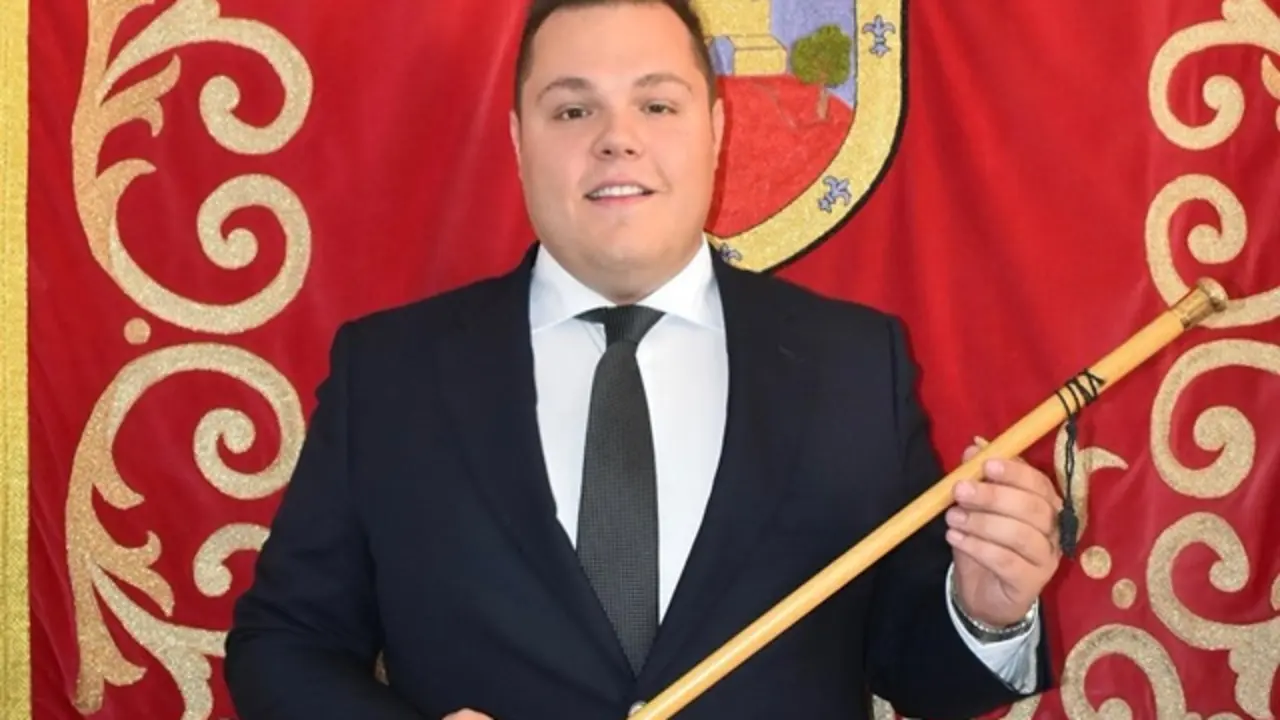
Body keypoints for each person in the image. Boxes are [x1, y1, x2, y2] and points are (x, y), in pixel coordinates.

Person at [223, 1, 1064, 717]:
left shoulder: (854, 366)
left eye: (657, 105)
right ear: (518, 140)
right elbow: (284, 643)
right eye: (572, 110)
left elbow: (916, 670)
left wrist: (985, 613)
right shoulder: (389, 373)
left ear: (717, 131)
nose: (617, 140)